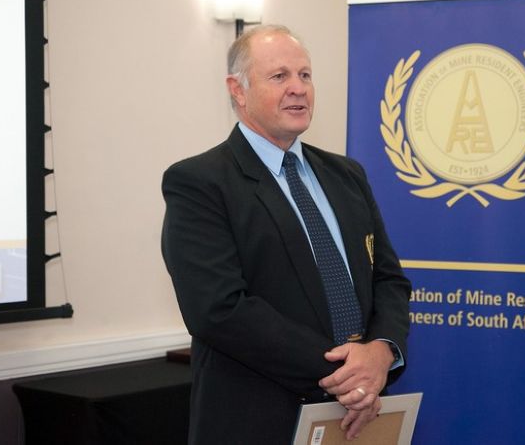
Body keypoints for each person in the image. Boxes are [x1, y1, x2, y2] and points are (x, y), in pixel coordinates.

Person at [161, 24, 411, 444]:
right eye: (279, 76)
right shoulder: (199, 182)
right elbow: (219, 310)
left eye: (305, 75)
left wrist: (382, 351)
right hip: (260, 421)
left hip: (359, 418)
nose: (298, 88)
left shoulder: (347, 175)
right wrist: (348, 374)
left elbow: (388, 279)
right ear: (237, 90)